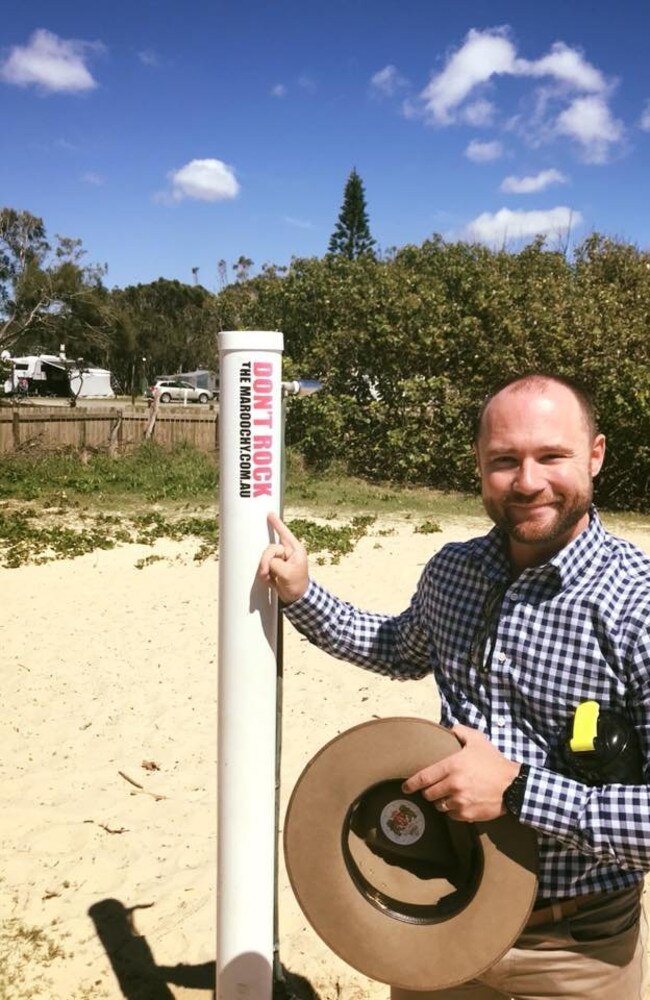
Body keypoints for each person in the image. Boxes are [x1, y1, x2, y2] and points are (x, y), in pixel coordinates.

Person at [259, 373, 650, 999]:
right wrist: (304, 596)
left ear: (595, 455)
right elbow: (395, 647)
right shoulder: (454, 573)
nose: (527, 481)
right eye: (504, 461)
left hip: (577, 951)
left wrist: (521, 792)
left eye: (552, 456)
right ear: (479, 465)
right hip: (436, 918)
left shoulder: (638, 604)